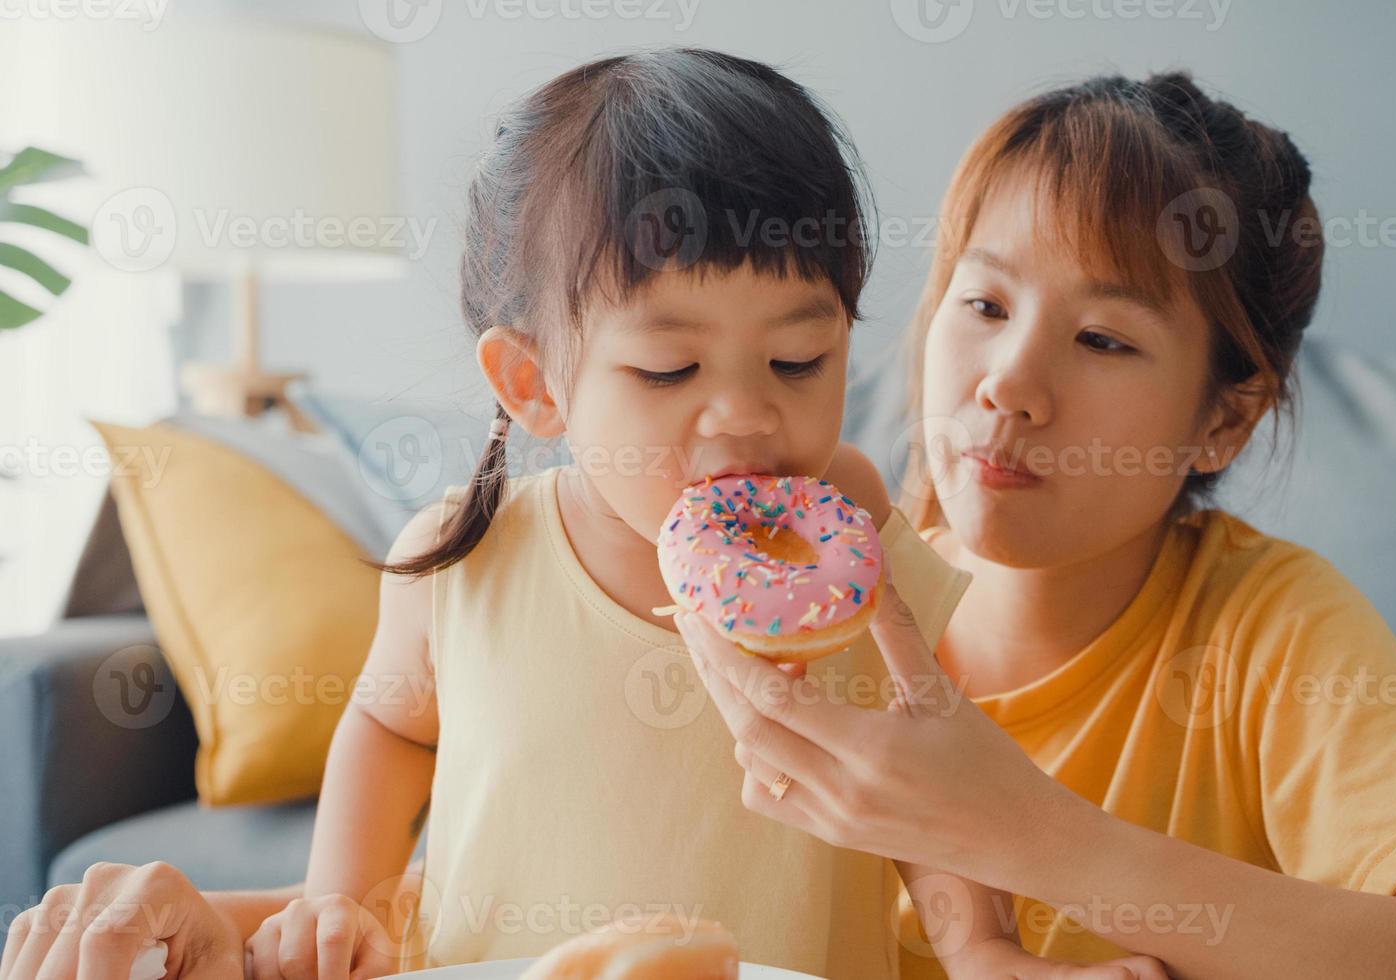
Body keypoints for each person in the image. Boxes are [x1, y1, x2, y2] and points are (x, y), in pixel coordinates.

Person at [2, 49, 1164, 980]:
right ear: (534, 384)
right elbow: (390, 727)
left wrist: (978, 944)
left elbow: (920, 776)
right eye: (667, 372)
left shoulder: (841, 532)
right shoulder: (467, 553)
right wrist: (336, 900)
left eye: (800, 357)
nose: (746, 419)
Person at [671, 71, 1396, 979]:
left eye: (1103, 340)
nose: (1009, 386)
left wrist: (1026, 831)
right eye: (984, 305)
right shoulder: (788, 615)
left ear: (1222, 420)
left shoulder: (1269, 629)